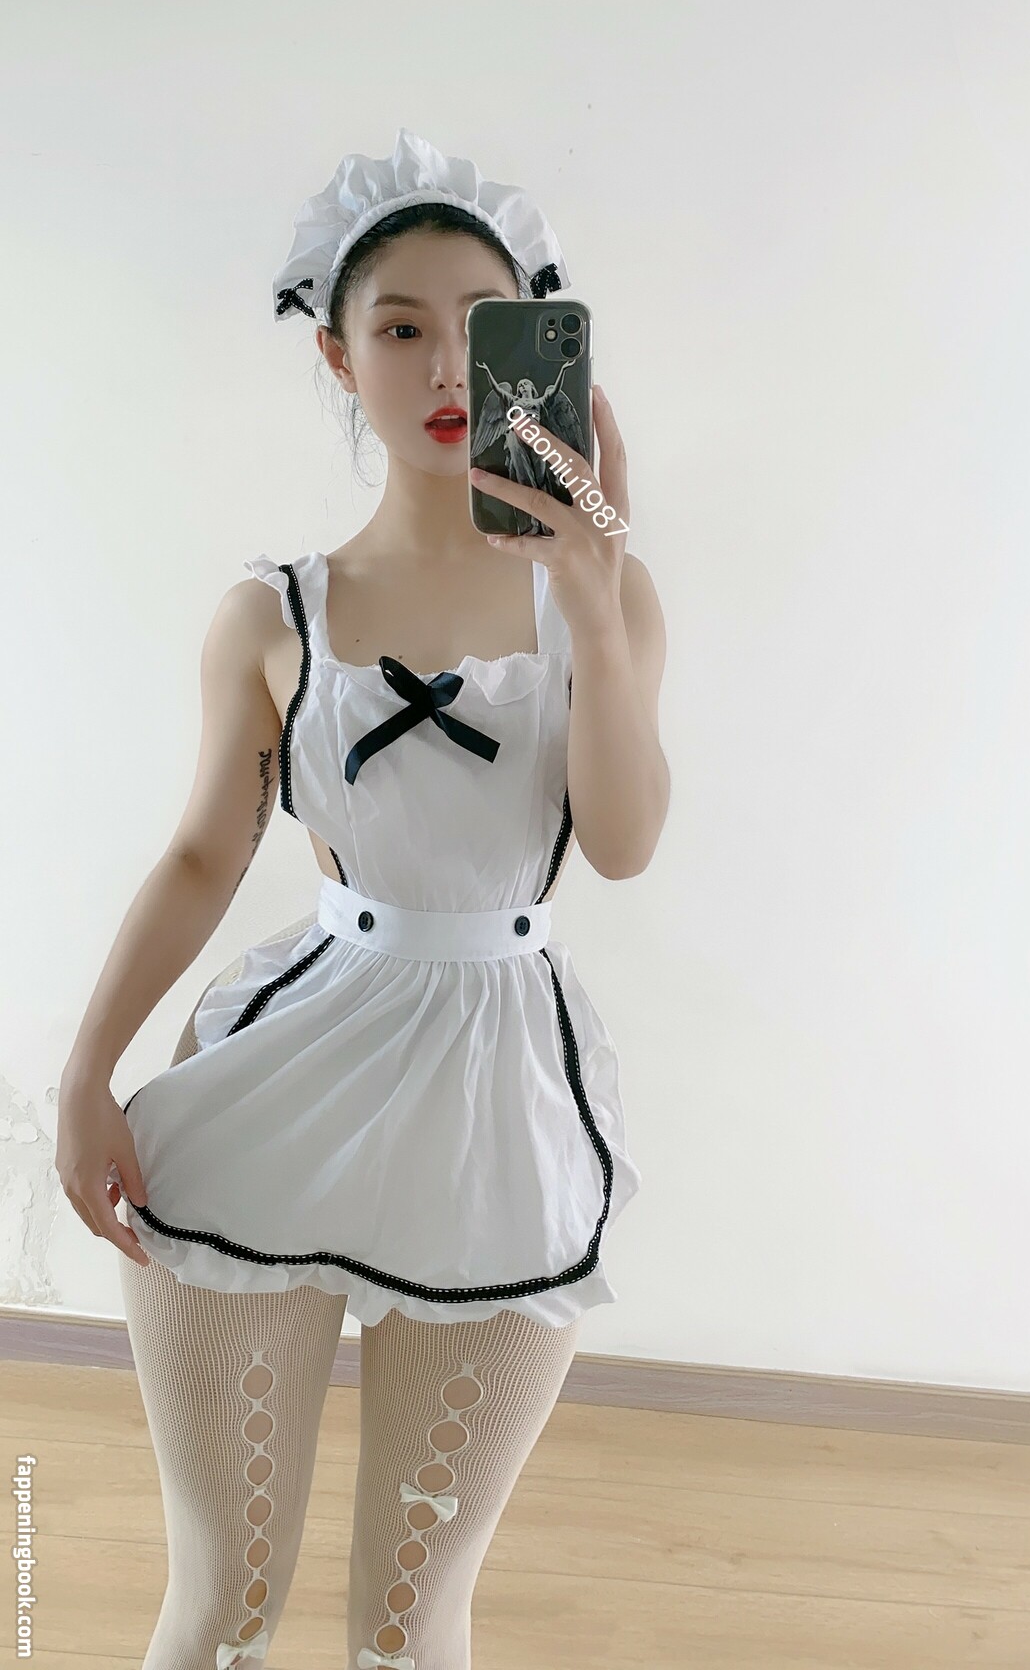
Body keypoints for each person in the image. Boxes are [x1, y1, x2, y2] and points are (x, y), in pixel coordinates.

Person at [56, 129, 669, 1670]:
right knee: (224, 1600)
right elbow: (203, 854)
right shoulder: (270, 614)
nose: (448, 365)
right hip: (287, 1074)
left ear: (540, 346)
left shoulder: (600, 596)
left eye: (484, 324)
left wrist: (596, 594)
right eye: (401, 327)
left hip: (501, 1108)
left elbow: (623, 842)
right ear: (337, 355)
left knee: (412, 1621)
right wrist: (82, 1076)